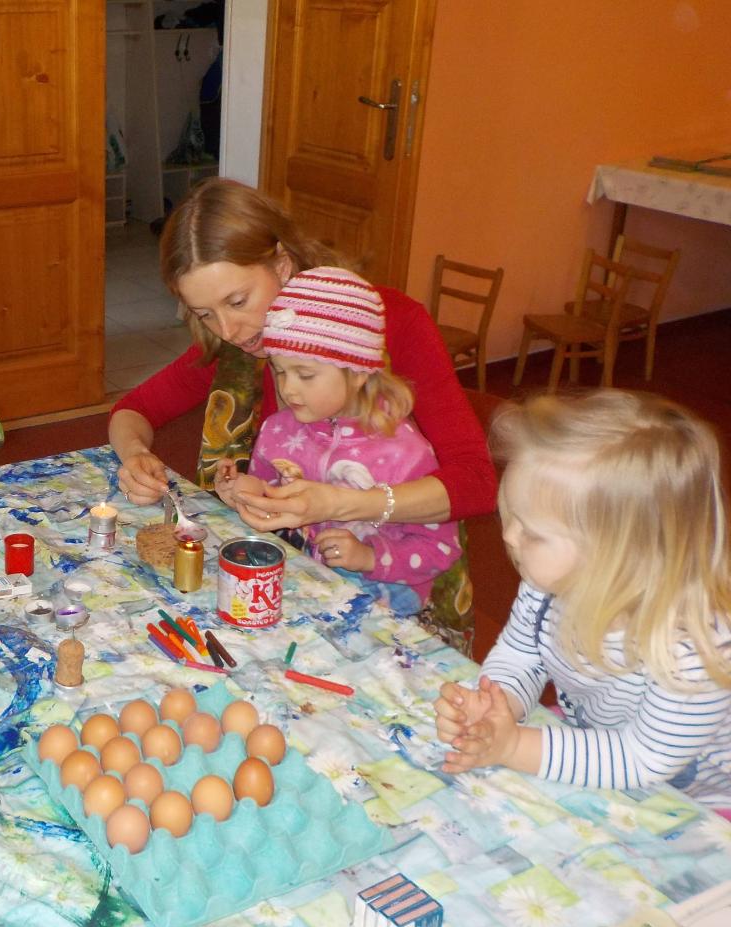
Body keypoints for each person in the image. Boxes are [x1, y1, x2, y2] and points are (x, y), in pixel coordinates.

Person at [110, 178, 495, 650]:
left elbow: (476, 482)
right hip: (297, 587)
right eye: (204, 313)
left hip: (399, 597)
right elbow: (133, 410)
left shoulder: (389, 323)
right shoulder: (237, 346)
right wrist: (135, 455)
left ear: (283, 264)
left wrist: (339, 503)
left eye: (237, 301)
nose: (228, 329)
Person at [434, 390, 731, 804]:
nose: (509, 536)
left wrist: (514, 745)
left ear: (620, 554)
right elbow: (522, 654)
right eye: (511, 515)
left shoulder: (693, 648)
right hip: (600, 742)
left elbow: (644, 759)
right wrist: (496, 705)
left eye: (532, 532)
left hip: (698, 800)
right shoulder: (549, 586)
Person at [216, 267, 461, 616]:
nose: (288, 389)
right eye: (280, 371)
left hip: (384, 597)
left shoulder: (405, 452)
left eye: (305, 375)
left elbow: (440, 549)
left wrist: (369, 557)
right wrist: (247, 491)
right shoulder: (278, 430)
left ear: (358, 372)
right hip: (305, 581)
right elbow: (272, 496)